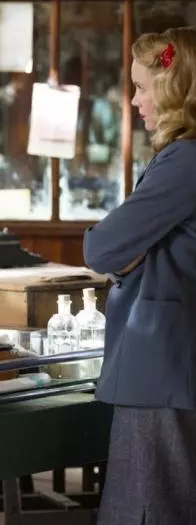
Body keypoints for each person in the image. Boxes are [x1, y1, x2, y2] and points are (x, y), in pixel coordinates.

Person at [83, 27, 196, 525]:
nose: (133, 101)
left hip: (161, 374)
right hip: (173, 371)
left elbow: (101, 248)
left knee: (145, 511)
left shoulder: (184, 159)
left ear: (173, 90)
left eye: (142, 88)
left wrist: (133, 252)